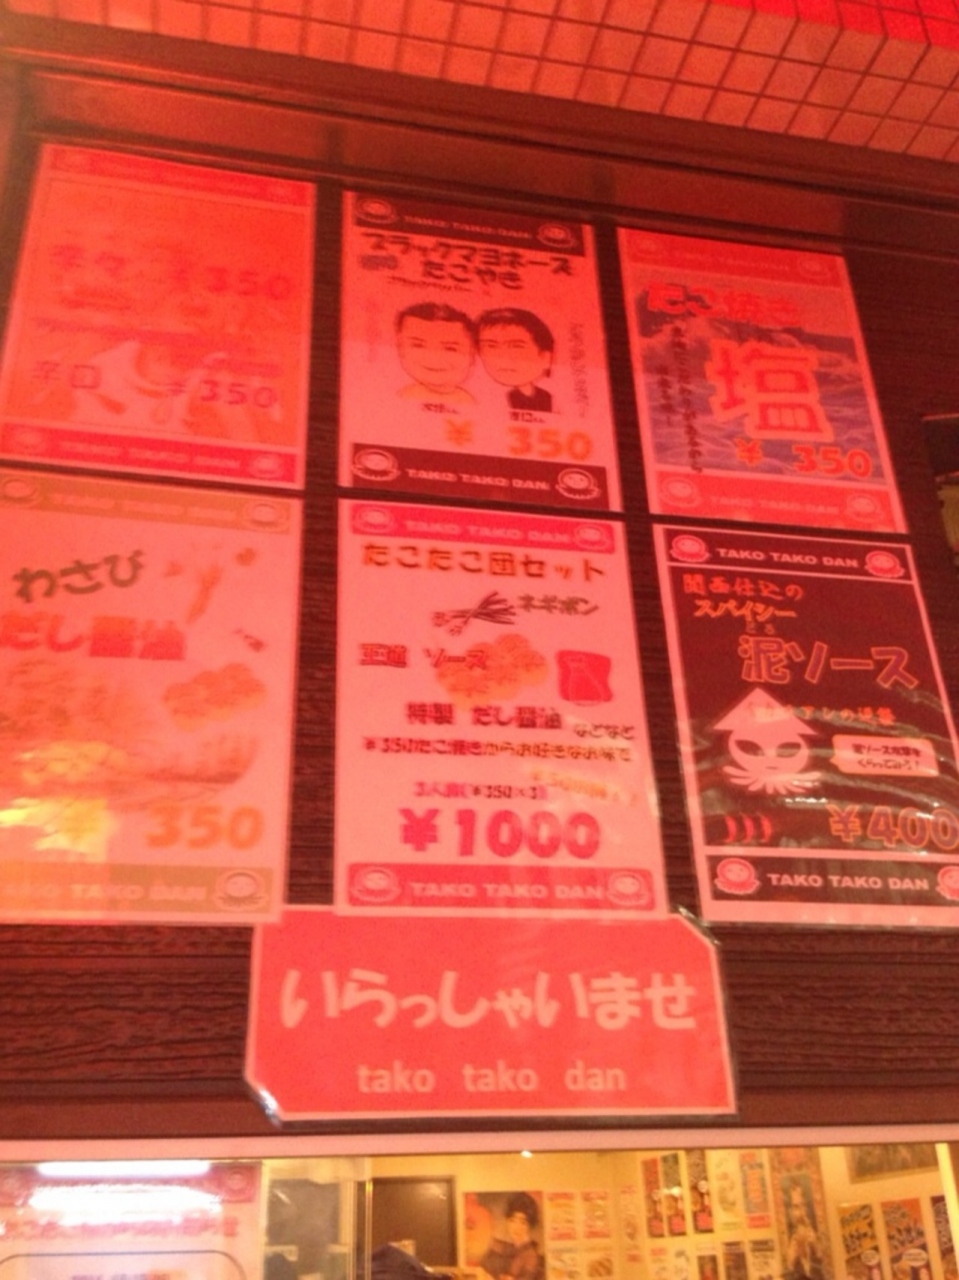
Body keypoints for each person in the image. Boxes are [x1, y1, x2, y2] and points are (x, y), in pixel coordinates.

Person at [394, 302, 476, 404]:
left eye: (450, 349)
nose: (434, 358)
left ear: (472, 354)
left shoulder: (470, 403)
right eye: (418, 345)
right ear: (400, 348)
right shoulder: (402, 397)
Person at [476, 308, 555, 412]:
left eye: (516, 346)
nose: (503, 356)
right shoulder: (480, 399)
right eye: (491, 346)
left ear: (545, 357)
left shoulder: (548, 398)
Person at [478, 1193, 545, 1280]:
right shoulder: (506, 1248)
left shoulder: (530, 1255)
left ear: (530, 1224)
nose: (516, 1227)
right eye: (512, 1220)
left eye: (522, 1222)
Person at [783, 1179, 824, 1280]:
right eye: (796, 1207)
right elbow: (788, 1270)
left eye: (803, 1205)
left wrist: (815, 1246)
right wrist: (791, 1262)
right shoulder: (790, 1244)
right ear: (790, 1211)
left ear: (807, 1208)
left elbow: (823, 1267)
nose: (800, 1212)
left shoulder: (815, 1237)